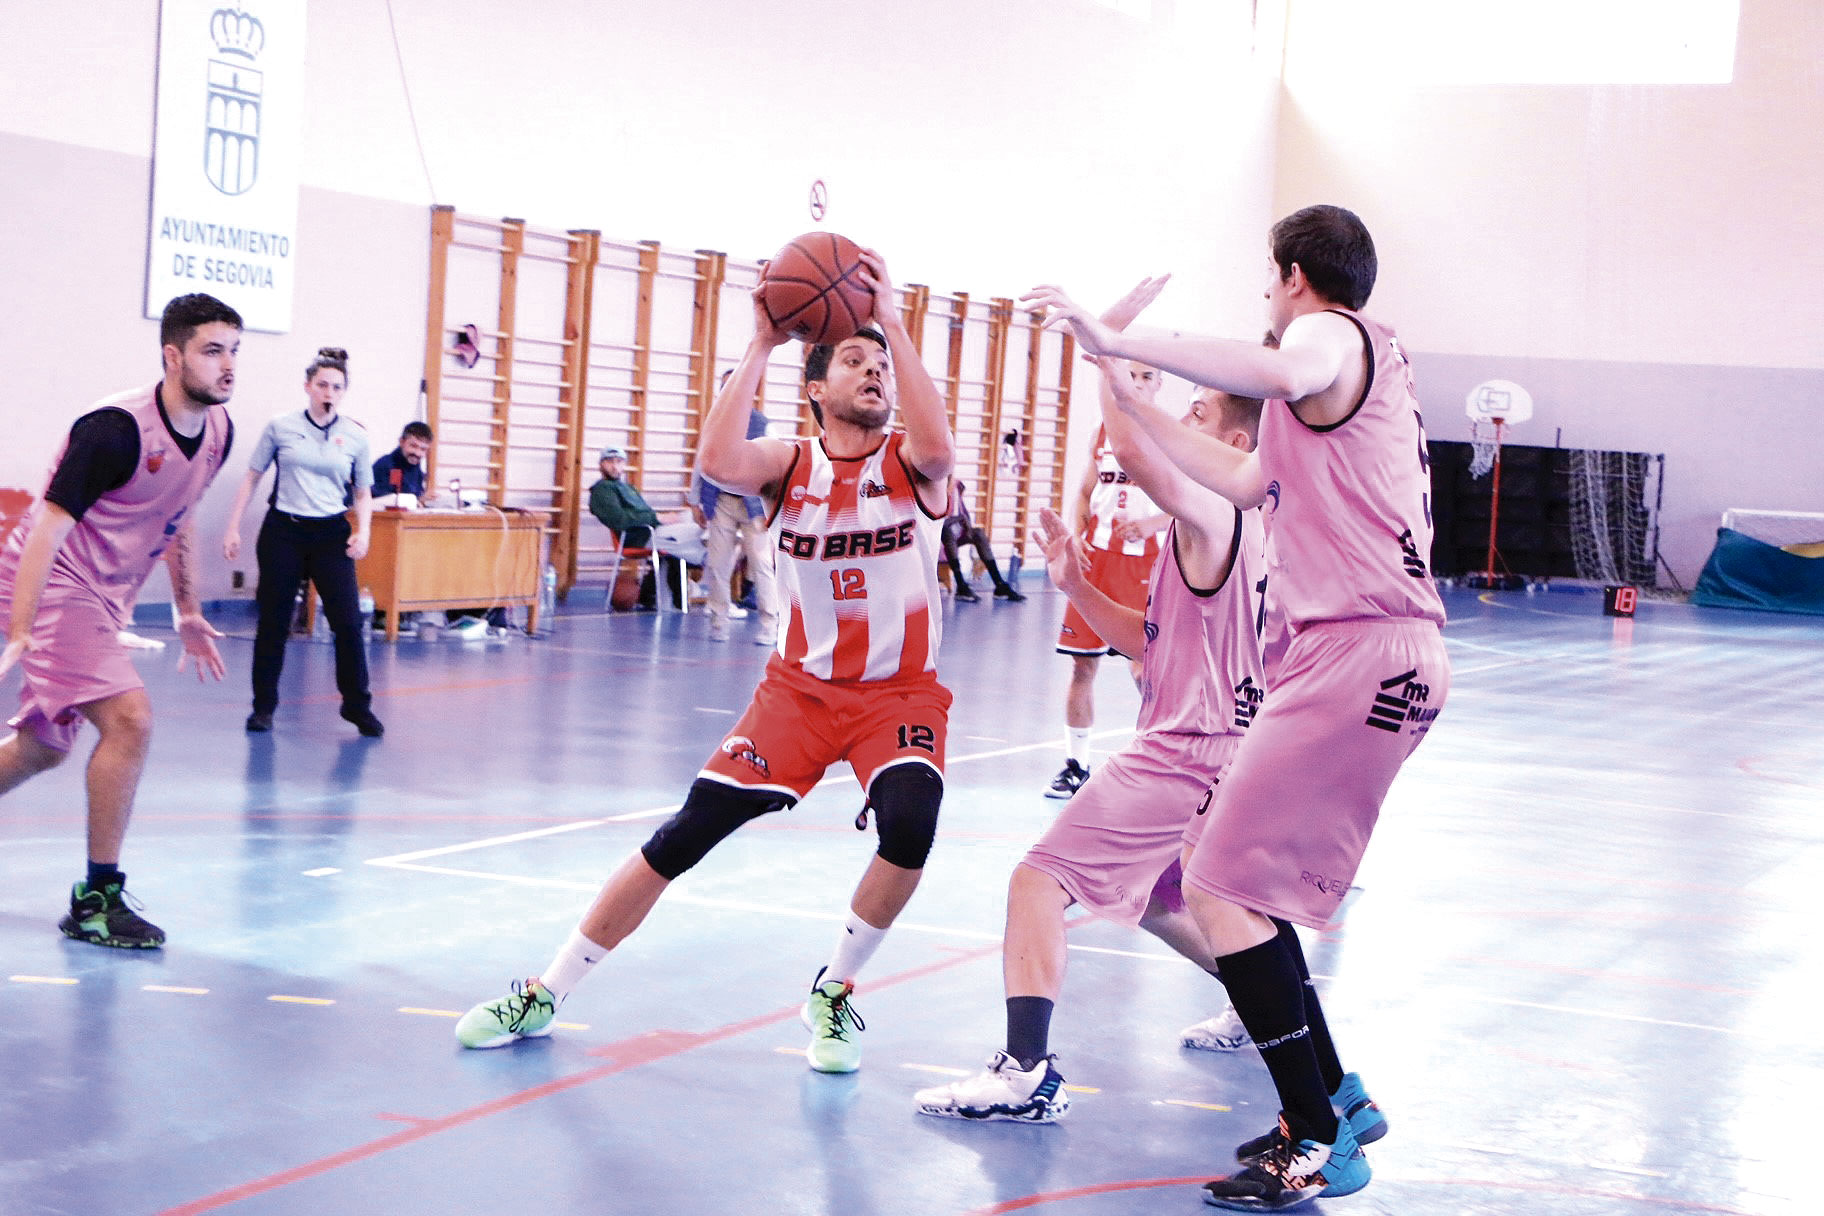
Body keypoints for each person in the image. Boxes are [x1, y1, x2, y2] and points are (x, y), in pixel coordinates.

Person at [1026, 204, 1450, 1209]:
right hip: (1362, 654)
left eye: (1270, 281)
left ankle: (1317, 1136)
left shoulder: (1334, 334)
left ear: (1294, 274)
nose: (1268, 299)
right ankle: (1335, 1098)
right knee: (1240, 885)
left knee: (1214, 881)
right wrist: (1134, 395)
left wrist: (1112, 335)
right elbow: (1236, 471)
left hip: (1360, 648)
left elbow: (1274, 371)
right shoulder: (1332, 402)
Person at [456, 248, 957, 1077]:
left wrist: (894, 324)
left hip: (898, 691)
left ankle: (833, 991)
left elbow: (938, 447)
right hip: (798, 691)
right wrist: (760, 342)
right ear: (816, 388)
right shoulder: (788, 464)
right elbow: (719, 462)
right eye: (856, 362)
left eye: (883, 366)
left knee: (911, 826)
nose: (876, 375)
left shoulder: (910, 463)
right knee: (686, 833)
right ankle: (545, 990)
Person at [915, 278, 1264, 1124]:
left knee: (1038, 881)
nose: (1185, 420)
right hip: (1226, 745)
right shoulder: (1228, 524)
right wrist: (1075, 582)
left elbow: (1139, 457)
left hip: (1187, 747)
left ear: (1241, 440)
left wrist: (1109, 355)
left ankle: (1025, 1071)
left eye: (1202, 413)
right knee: (1154, 898)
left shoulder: (1217, 505)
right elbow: (1152, 645)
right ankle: (1268, 1006)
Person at [0, 293, 239, 949]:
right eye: (212, 350)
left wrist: (188, 608)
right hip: (52, 583)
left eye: (234, 351)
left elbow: (182, 512)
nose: (228, 367)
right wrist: (22, 629)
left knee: (45, 747)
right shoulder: (113, 431)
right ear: (173, 355)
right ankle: (96, 901)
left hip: (101, 596)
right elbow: (45, 532)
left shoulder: (218, 432)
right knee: (130, 719)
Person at [221, 347, 384, 738]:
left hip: (330, 534)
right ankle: (263, 707)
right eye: (323, 385)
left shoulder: (356, 436)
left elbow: (363, 493)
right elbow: (252, 476)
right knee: (274, 623)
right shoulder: (281, 427)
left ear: (344, 392)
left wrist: (363, 532)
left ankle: (357, 706)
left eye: (337, 387)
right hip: (284, 532)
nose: (329, 392)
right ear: (308, 386)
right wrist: (233, 526)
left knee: (347, 622)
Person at [1046, 355, 1171, 799]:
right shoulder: (1100, 434)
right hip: (1096, 563)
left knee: (1148, 669)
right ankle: (1075, 765)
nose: (1136, 382)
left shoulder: (1170, 436)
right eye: (1130, 374)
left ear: (1159, 385)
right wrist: (1076, 536)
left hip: (1146, 565)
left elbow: (1192, 499)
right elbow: (1085, 491)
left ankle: (1163, 759)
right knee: (1083, 666)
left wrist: (1154, 525)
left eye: (1146, 375)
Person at [692, 372, 779, 643]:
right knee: (718, 563)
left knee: (761, 564)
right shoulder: (714, 424)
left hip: (754, 505)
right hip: (721, 501)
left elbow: (776, 468)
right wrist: (695, 499)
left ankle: (770, 625)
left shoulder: (764, 425)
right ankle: (718, 620)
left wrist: (773, 507)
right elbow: (701, 461)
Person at [588, 445, 703, 610]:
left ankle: (660, 591)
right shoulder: (602, 491)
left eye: (619, 462)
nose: (615, 466)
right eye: (610, 462)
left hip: (653, 530)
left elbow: (643, 513)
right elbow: (619, 520)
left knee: (692, 517)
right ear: (601, 464)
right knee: (697, 532)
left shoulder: (628, 488)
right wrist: (658, 518)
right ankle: (707, 577)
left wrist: (663, 518)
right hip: (638, 537)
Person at [941, 477, 1025, 603]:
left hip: (956, 531)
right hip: (938, 534)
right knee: (947, 533)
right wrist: (959, 519)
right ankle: (961, 585)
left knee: (979, 533)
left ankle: (999, 584)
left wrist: (965, 522)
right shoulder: (933, 485)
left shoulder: (956, 485)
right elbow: (936, 522)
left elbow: (961, 514)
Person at [372, 421, 436, 507]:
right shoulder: (386, 465)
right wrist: (415, 500)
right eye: (413, 446)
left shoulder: (416, 469)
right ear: (401, 442)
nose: (417, 453)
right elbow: (384, 499)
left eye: (423, 449)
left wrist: (422, 499)